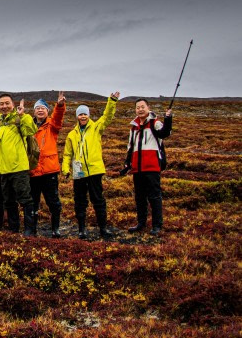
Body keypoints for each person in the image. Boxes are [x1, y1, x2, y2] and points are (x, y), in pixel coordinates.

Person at [62, 93, 120, 240]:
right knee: (80, 201)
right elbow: (68, 154)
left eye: (85, 114)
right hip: (78, 171)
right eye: (80, 114)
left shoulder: (96, 128)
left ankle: (103, 228)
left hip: (94, 170)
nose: (82, 116)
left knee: (98, 200)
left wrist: (112, 101)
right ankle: (82, 229)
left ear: (88, 115)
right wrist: (65, 168)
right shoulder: (71, 135)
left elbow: (107, 117)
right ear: (77, 116)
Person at [124, 99, 172, 236]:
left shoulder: (155, 123)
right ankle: (141, 222)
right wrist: (128, 162)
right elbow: (130, 146)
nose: (140, 109)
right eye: (138, 107)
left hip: (151, 167)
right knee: (139, 197)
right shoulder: (133, 127)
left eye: (142, 107)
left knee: (154, 196)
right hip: (137, 168)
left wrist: (168, 119)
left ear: (148, 108)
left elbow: (165, 133)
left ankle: (157, 225)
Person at [0, 94, 37, 235]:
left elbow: (31, 130)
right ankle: (14, 229)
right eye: (1, 104)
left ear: (12, 104)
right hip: (4, 170)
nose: (4, 106)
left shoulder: (19, 119)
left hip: (19, 168)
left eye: (7, 103)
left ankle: (29, 230)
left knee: (25, 199)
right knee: (9, 202)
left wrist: (23, 115)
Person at [29, 93, 66, 237]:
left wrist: (60, 106)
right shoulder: (29, 126)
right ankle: (32, 230)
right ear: (33, 111)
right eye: (37, 108)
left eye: (42, 108)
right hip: (33, 171)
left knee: (53, 202)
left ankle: (55, 229)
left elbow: (58, 117)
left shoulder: (52, 125)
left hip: (49, 171)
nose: (40, 110)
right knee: (33, 203)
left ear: (47, 111)